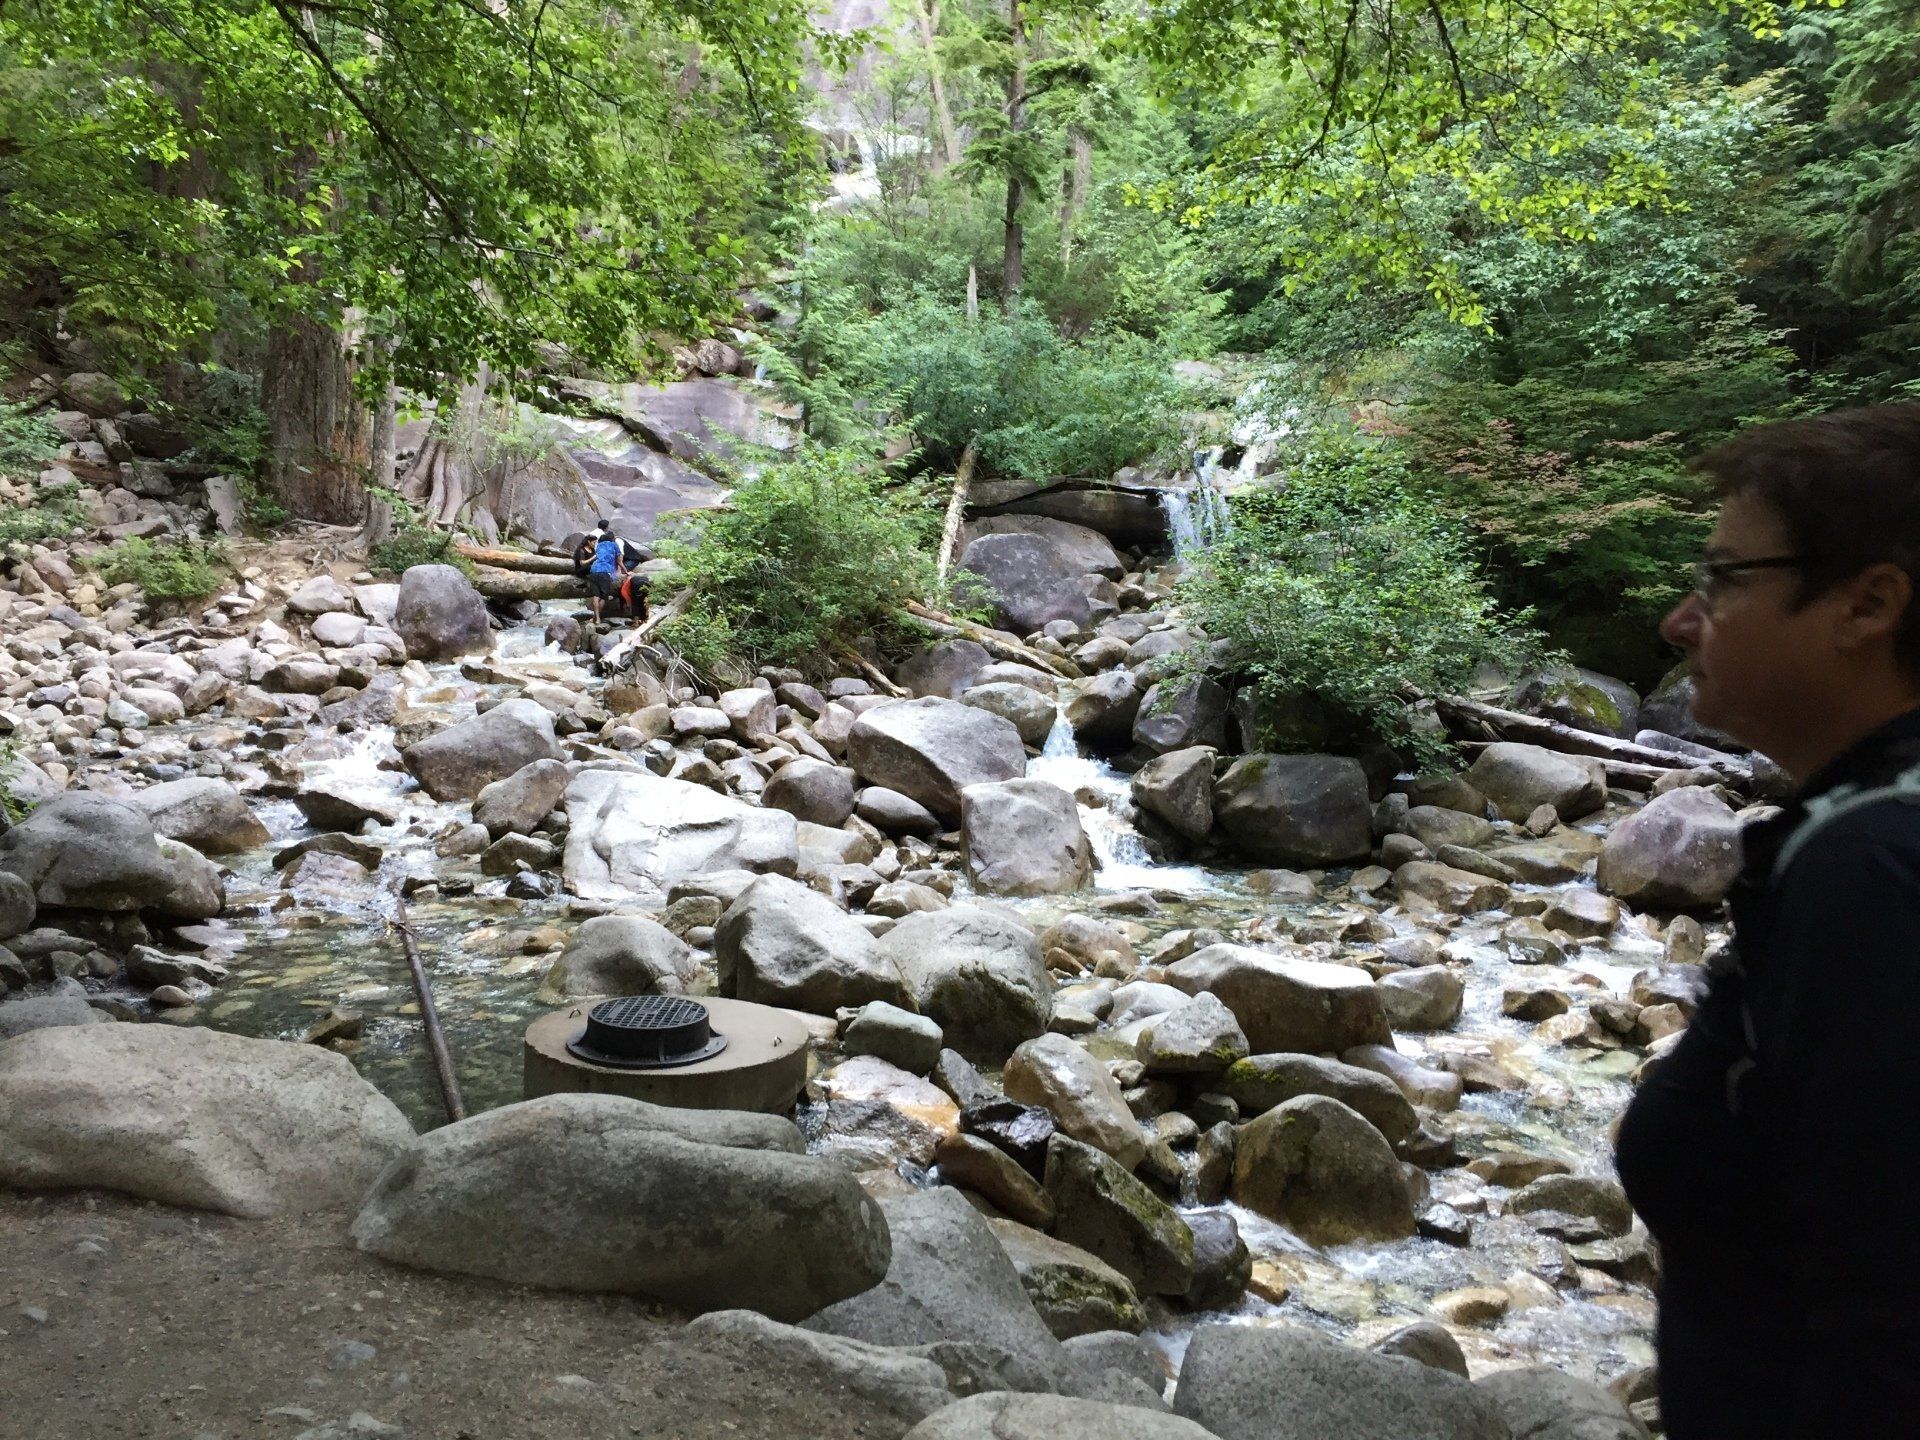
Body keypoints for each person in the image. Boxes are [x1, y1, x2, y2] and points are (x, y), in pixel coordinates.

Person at [1614, 402, 1920, 1437]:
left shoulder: (1872, 876)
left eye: (1723, 580)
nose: (1681, 621)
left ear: (1867, 604)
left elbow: (1889, 1324)